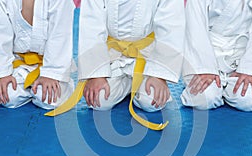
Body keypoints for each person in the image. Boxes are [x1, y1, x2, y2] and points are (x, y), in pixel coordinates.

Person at [61, 0, 185, 130]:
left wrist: (159, 76)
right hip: (112, 55)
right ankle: (126, 83)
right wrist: (96, 75)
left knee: (152, 101)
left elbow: (170, 28)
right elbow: (91, 26)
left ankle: (136, 82)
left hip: (147, 55)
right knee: (99, 100)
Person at [181, 0, 252, 111]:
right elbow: (195, 25)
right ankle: (207, 82)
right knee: (204, 99)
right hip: (207, 50)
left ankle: (229, 84)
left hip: (241, 55)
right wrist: (204, 68)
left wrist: (250, 70)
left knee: (248, 100)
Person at [0, 0, 75, 109]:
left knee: (48, 99)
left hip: (50, 62)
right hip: (19, 64)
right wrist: (2, 74)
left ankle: (66, 86)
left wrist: (51, 74)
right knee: (8, 96)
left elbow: (60, 35)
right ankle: (30, 88)